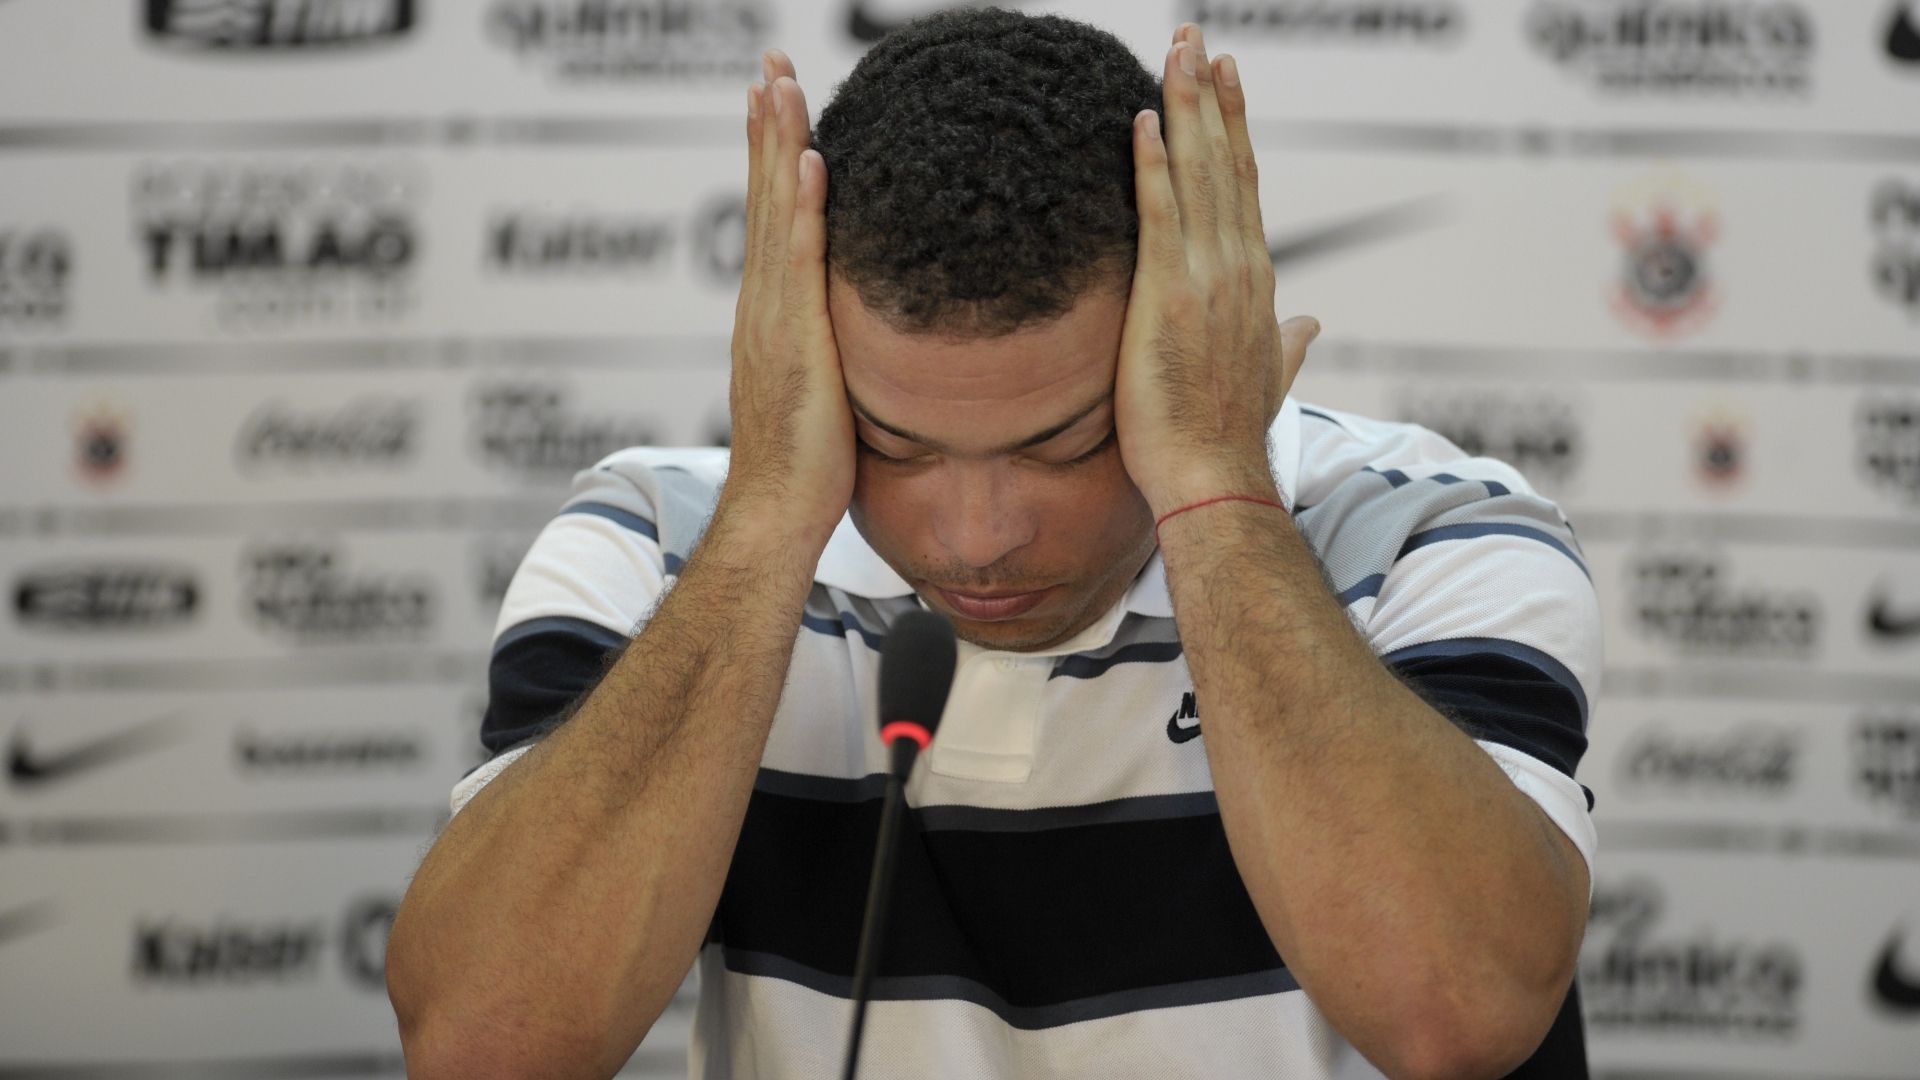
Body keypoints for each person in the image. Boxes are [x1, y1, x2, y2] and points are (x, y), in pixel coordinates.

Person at [385, 11, 1599, 1080]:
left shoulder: (1427, 529)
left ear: (1195, 323)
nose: (975, 539)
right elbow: (490, 1050)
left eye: (1065, 445)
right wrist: (763, 524)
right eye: (894, 445)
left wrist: (1217, 487)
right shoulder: (660, 544)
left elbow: (1458, 1017)